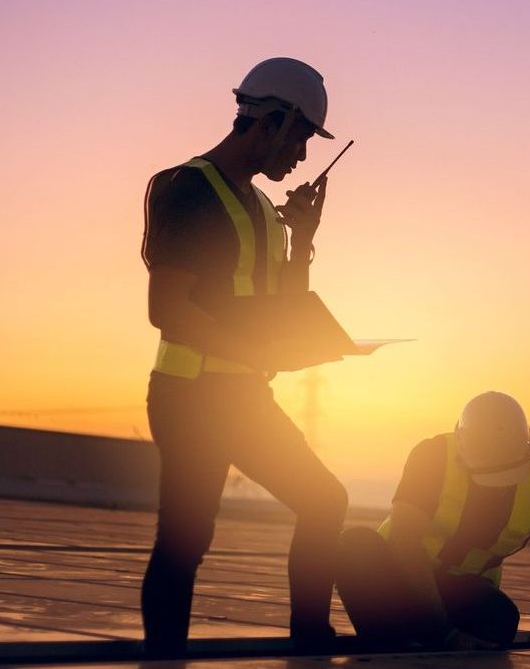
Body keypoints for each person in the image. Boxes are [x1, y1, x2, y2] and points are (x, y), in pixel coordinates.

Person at [139, 57, 347, 657]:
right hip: (190, 396)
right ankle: (164, 660)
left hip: (244, 396)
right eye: (302, 137)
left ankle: (309, 640)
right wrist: (253, 350)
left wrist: (302, 240)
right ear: (274, 121)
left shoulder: (261, 209)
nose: (302, 156)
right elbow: (168, 309)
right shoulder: (184, 188)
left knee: (324, 501)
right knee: (185, 539)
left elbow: (282, 306)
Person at [336, 392, 530, 663]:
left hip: (458, 589)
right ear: (463, 452)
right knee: (355, 545)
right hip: (396, 575)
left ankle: (409, 632)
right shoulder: (433, 457)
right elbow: (404, 542)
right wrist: (445, 633)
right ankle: (389, 638)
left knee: (501, 619)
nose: (499, 488)